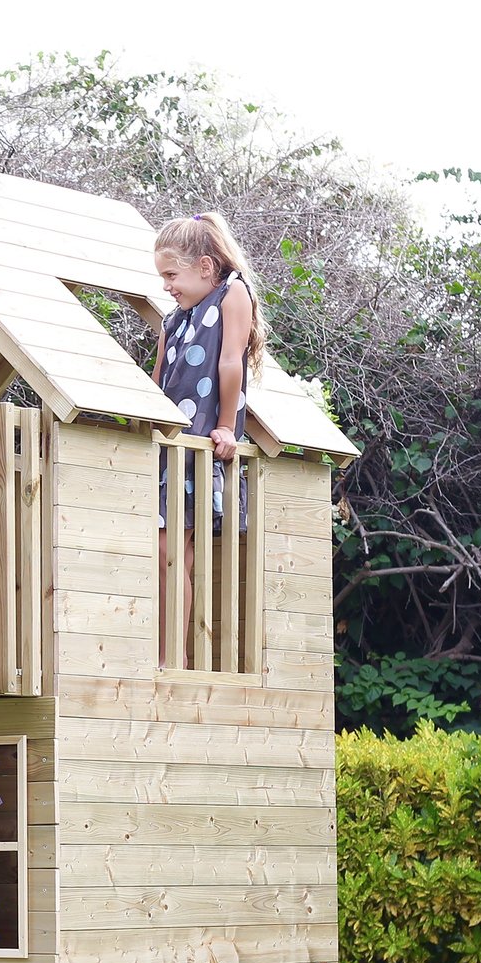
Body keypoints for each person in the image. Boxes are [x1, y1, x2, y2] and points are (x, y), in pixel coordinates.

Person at [151, 212, 266, 667]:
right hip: (169, 443)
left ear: (204, 265)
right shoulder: (172, 319)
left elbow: (230, 362)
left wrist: (225, 426)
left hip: (200, 443)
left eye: (171, 275)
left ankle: (172, 656)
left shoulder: (232, 292)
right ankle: (166, 651)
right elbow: (158, 376)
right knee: (166, 552)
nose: (166, 285)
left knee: (172, 550)